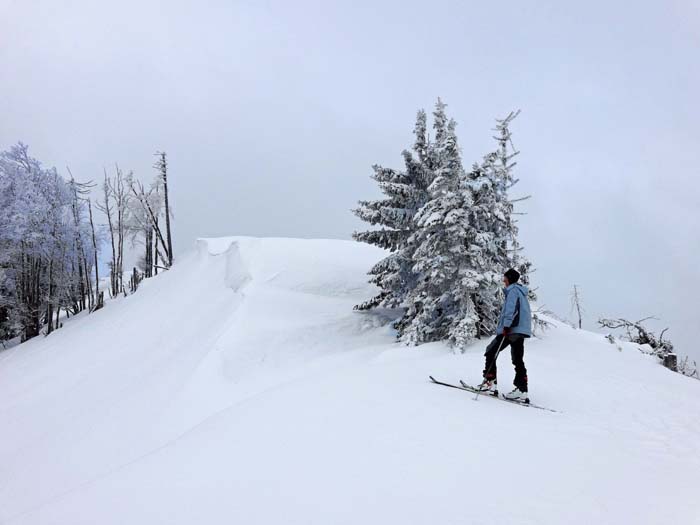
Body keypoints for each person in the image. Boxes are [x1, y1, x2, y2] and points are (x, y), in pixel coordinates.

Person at [477, 268, 532, 402]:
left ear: (510, 279)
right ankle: (522, 389)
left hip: (512, 329)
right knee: (517, 359)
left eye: (505, 278)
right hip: (520, 330)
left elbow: (511, 309)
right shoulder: (521, 292)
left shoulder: (513, 290)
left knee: (491, 351)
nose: (503, 281)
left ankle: (490, 383)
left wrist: (507, 325)